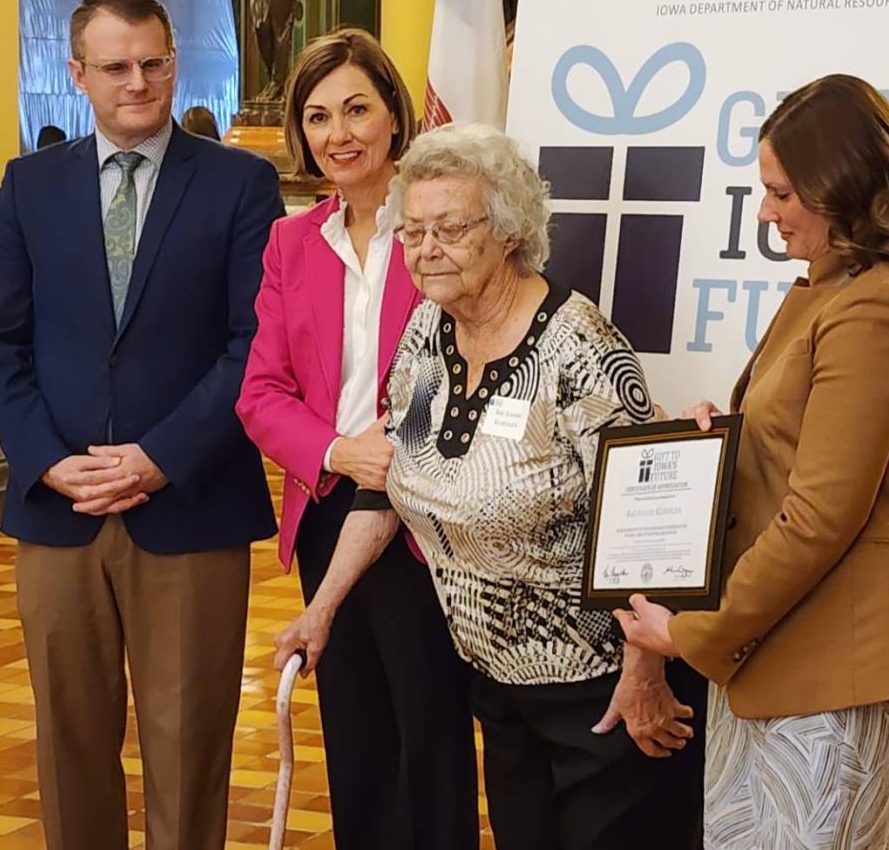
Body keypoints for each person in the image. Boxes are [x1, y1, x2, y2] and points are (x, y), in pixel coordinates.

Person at [274, 122, 707, 850]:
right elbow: (390, 481)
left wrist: (644, 673)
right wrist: (322, 609)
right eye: (411, 232)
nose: (425, 249)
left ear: (508, 231)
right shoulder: (425, 338)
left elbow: (650, 525)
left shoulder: (582, 349)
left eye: (449, 228)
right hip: (499, 688)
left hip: (602, 692)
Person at [0, 0, 282, 850]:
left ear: (174, 61)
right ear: (77, 73)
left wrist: (160, 456)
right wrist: (45, 460)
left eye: (152, 63)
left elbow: (256, 342)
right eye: (115, 67)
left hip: (190, 505)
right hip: (58, 508)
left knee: (189, 747)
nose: (136, 82)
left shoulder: (242, 183)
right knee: (68, 749)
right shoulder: (27, 186)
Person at [617, 73, 889, 850]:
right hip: (781, 658)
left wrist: (698, 630)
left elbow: (820, 518)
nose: (764, 211)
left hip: (834, 669)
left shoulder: (875, 309)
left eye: (778, 192)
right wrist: (719, 434)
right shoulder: (835, 287)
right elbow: (798, 441)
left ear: (839, 188)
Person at [236, 29, 479, 850]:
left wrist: (392, 446)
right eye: (316, 115)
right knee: (356, 740)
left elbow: (470, 355)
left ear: (395, 118)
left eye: (356, 109)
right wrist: (336, 452)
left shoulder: (441, 230)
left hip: (424, 521)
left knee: (431, 738)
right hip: (330, 504)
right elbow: (261, 394)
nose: (338, 133)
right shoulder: (289, 242)